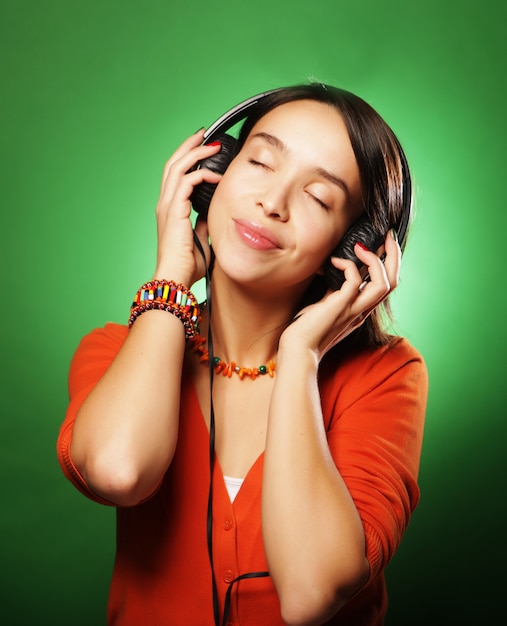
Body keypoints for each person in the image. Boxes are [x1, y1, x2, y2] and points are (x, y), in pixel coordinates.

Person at [57, 83, 428, 626]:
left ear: (354, 247)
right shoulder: (116, 352)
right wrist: (171, 277)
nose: (272, 203)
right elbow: (118, 470)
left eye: (319, 197)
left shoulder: (387, 375)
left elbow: (311, 595)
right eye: (258, 162)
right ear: (213, 171)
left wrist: (301, 353)